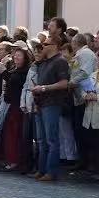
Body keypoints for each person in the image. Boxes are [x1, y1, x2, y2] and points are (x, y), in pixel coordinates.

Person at [31, 33, 71, 181]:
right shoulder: (44, 62)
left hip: (52, 103)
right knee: (41, 140)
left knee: (51, 139)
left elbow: (64, 83)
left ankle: (51, 171)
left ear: (54, 46)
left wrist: (45, 88)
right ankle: (41, 169)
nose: (43, 46)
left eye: (46, 44)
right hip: (41, 104)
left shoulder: (60, 61)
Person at [69, 33, 98, 172]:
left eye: (72, 42)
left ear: (76, 42)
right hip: (79, 96)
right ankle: (83, 160)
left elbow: (84, 73)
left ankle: (86, 161)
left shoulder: (85, 54)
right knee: (79, 130)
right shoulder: (80, 54)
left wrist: (71, 82)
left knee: (82, 131)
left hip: (84, 98)